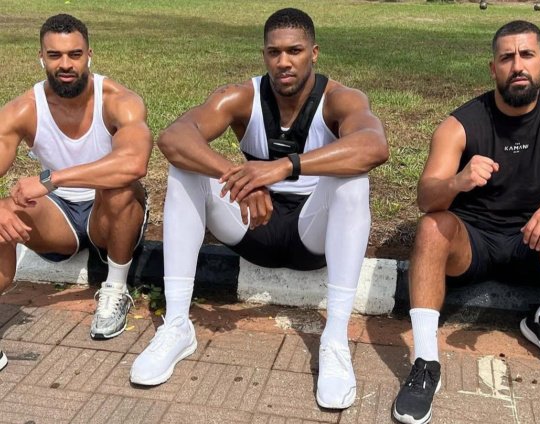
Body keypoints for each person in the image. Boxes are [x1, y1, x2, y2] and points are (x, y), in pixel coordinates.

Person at [130, 7, 388, 409]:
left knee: (353, 180)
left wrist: (282, 167)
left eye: (294, 51)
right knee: (184, 170)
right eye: (274, 52)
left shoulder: (341, 99)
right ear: (264, 54)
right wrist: (238, 176)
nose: (284, 62)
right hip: (253, 226)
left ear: (314, 53)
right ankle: (177, 325)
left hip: (312, 233)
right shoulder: (242, 96)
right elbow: (174, 136)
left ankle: (335, 340)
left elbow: (374, 146)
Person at [393, 20, 540, 424]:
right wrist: (457, 181)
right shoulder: (460, 125)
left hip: (534, 240)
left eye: (526, 55)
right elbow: (425, 199)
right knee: (431, 227)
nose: (517, 66)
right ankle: (425, 363)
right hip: (473, 244)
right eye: (506, 57)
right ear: (493, 68)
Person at [0, 14, 152, 371]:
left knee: (118, 186)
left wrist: (53, 178)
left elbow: (134, 164)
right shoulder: (23, 109)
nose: (65, 64)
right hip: (59, 218)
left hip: (109, 214)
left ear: (89, 55)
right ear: (41, 57)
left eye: (74, 54)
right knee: (5, 212)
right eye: (55, 55)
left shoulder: (119, 100)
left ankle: (116, 289)